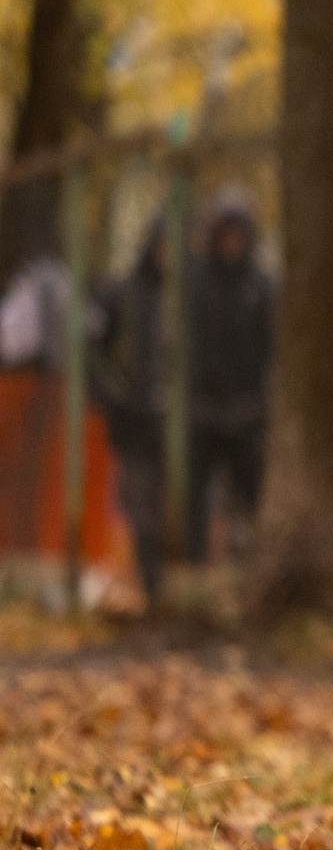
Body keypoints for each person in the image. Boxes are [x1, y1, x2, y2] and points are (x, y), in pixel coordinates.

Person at [186, 190, 272, 564]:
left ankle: (245, 562)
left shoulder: (261, 286)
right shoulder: (196, 282)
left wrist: (259, 404)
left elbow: (270, 347)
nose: (233, 242)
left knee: (248, 497)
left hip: (248, 410)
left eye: (239, 234)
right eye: (226, 233)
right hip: (202, 408)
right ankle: (195, 561)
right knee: (196, 496)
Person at [93, 220, 170, 604]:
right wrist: (113, 397)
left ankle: (163, 587)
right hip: (134, 421)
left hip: (184, 423)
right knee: (137, 503)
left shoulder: (185, 297)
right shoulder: (121, 294)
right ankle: (142, 586)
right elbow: (92, 352)